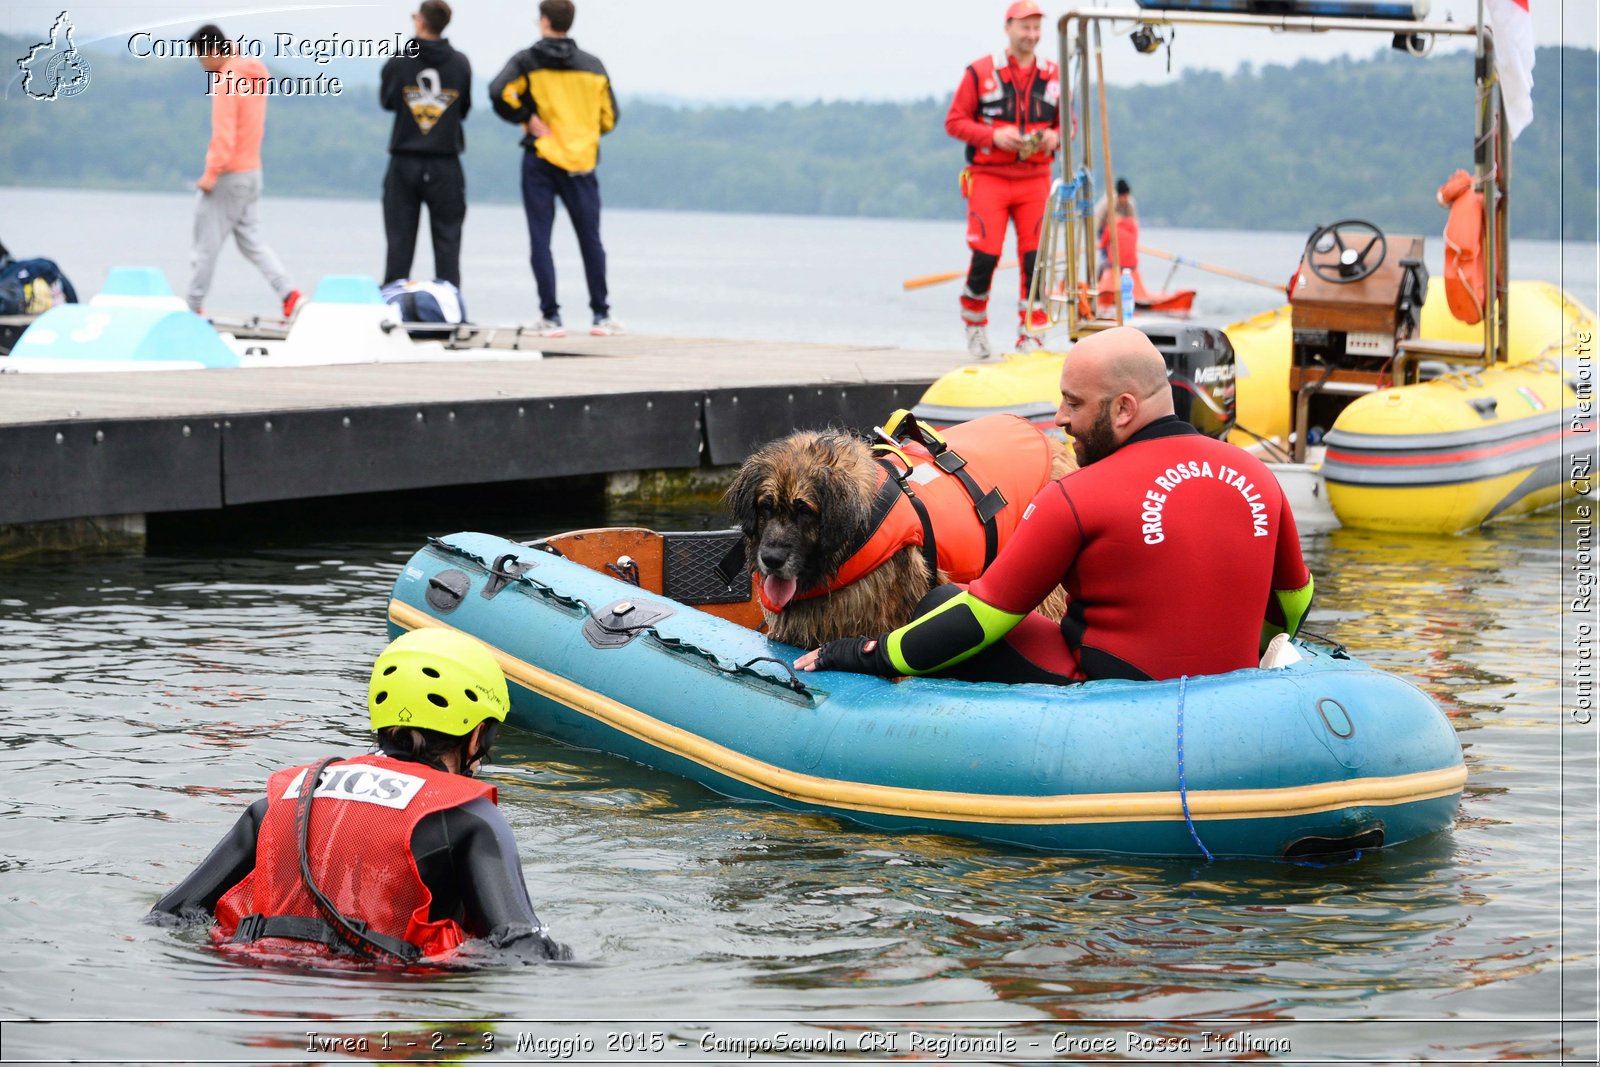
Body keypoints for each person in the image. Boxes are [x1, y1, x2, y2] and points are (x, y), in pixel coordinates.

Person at [797, 326, 1314, 685]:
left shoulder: (1076, 495)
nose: (1061, 418)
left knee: (941, 605)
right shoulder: (1259, 477)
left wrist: (865, 652)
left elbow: (982, 617)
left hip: (1110, 698)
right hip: (1233, 696)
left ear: (1125, 408)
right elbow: (1295, 599)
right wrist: (1246, 661)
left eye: (1074, 402)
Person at [147, 628, 568, 965]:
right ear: (479, 734)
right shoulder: (469, 819)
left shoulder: (281, 802)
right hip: (392, 1022)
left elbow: (171, 914)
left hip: (270, 1014)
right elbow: (522, 948)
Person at [490, 0, 621, 339]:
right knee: (591, 239)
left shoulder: (527, 60)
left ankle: (551, 316)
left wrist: (525, 118)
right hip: (581, 162)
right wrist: (582, 132)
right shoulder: (593, 66)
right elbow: (609, 118)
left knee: (541, 238)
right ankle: (600, 316)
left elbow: (498, 92)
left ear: (545, 21)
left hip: (542, 159)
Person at [945, 0, 1061, 360]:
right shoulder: (980, 72)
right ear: (1008, 27)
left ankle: (1032, 333)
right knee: (985, 255)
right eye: (1025, 27)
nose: (1031, 35)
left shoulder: (1054, 75)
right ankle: (975, 326)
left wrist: (1056, 137)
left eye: (1037, 28)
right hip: (989, 176)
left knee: (1035, 260)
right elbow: (954, 122)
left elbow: (1067, 125)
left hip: (1035, 178)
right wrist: (993, 136)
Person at [185, 24, 301, 319]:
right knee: (252, 242)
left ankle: (191, 309)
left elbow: (224, 136)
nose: (203, 66)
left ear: (212, 51)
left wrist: (211, 174)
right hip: (252, 174)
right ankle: (289, 295)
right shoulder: (254, 73)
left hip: (228, 174)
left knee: (204, 248)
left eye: (202, 59)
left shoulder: (226, 80)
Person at [380, 0, 473, 290]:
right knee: (448, 240)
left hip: (405, 159)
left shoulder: (399, 61)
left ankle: (393, 306)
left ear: (420, 22)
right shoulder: (460, 63)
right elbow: (464, 108)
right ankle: (449, 307)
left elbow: (387, 101)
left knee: (399, 240)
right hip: (445, 162)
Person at [1097, 177, 1139, 276]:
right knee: (1106, 256)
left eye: (1127, 196)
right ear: (1119, 195)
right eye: (1124, 196)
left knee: (1124, 257)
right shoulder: (1108, 203)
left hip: (1121, 233)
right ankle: (1107, 276)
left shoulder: (1130, 205)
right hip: (1106, 230)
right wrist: (1106, 239)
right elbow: (1100, 221)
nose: (1126, 198)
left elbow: (1133, 225)